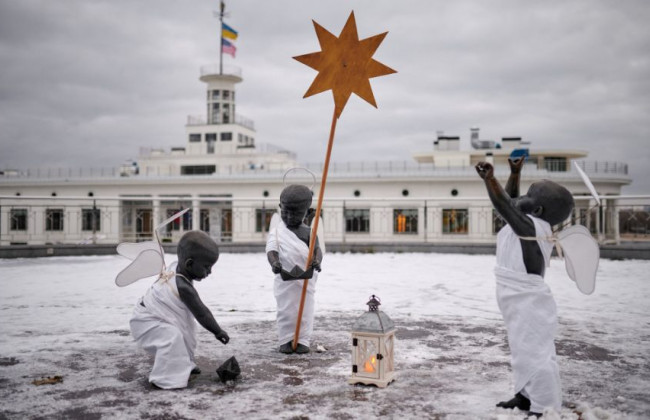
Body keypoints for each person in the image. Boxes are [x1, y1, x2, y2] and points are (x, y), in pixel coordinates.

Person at [476, 157, 574, 416]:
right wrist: (515, 173)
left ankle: (545, 406)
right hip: (514, 297)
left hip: (528, 301)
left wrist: (490, 179)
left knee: (535, 353)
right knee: (521, 349)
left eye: (531, 195)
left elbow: (505, 206)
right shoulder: (527, 223)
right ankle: (524, 395)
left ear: (538, 211)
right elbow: (510, 202)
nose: (523, 197)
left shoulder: (532, 227)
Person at [129, 230, 229, 389]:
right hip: (146, 322)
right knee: (172, 338)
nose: (209, 272)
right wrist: (218, 331)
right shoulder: (183, 286)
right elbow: (202, 313)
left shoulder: (175, 267)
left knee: (183, 332)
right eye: (206, 267)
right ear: (189, 264)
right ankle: (165, 378)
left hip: (153, 316)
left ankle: (183, 365)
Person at [266, 184, 323, 354]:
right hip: (285, 281)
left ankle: (303, 339)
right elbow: (272, 249)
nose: (289, 217)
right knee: (286, 310)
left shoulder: (309, 233)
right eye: (285, 212)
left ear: (308, 212)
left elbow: (317, 250)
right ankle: (286, 339)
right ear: (280, 207)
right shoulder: (277, 232)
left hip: (305, 281)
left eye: (296, 213)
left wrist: (317, 261)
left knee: (305, 311)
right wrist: (274, 263)